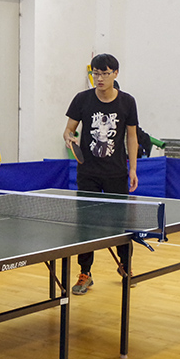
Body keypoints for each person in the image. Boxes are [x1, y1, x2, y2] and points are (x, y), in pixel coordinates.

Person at [63, 53, 139, 295]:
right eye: (95, 73)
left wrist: (133, 168)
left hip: (116, 173)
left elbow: (132, 137)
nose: (99, 78)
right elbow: (69, 130)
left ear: (115, 74)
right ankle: (85, 273)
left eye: (105, 73)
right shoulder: (82, 99)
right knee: (86, 224)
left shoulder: (127, 102)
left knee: (122, 224)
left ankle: (126, 265)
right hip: (88, 173)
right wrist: (69, 138)